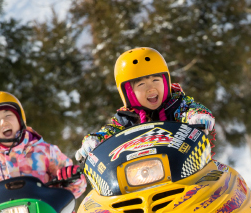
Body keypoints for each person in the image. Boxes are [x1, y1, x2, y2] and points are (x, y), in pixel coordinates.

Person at [75, 47, 216, 161]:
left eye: (156, 81)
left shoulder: (178, 106)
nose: (151, 88)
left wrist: (198, 116)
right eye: (141, 84)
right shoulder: (126, 120)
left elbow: (192, 109)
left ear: (166, 83)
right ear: (129, 92)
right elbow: (108, 132)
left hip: (186, 165)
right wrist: (93, 141)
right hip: (140, 176)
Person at [0, 91, 87, 213]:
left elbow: (75, 183)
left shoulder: (44, 150)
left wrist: (71, 179)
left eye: (8, 115)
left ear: (20, 119)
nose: (3, 122)